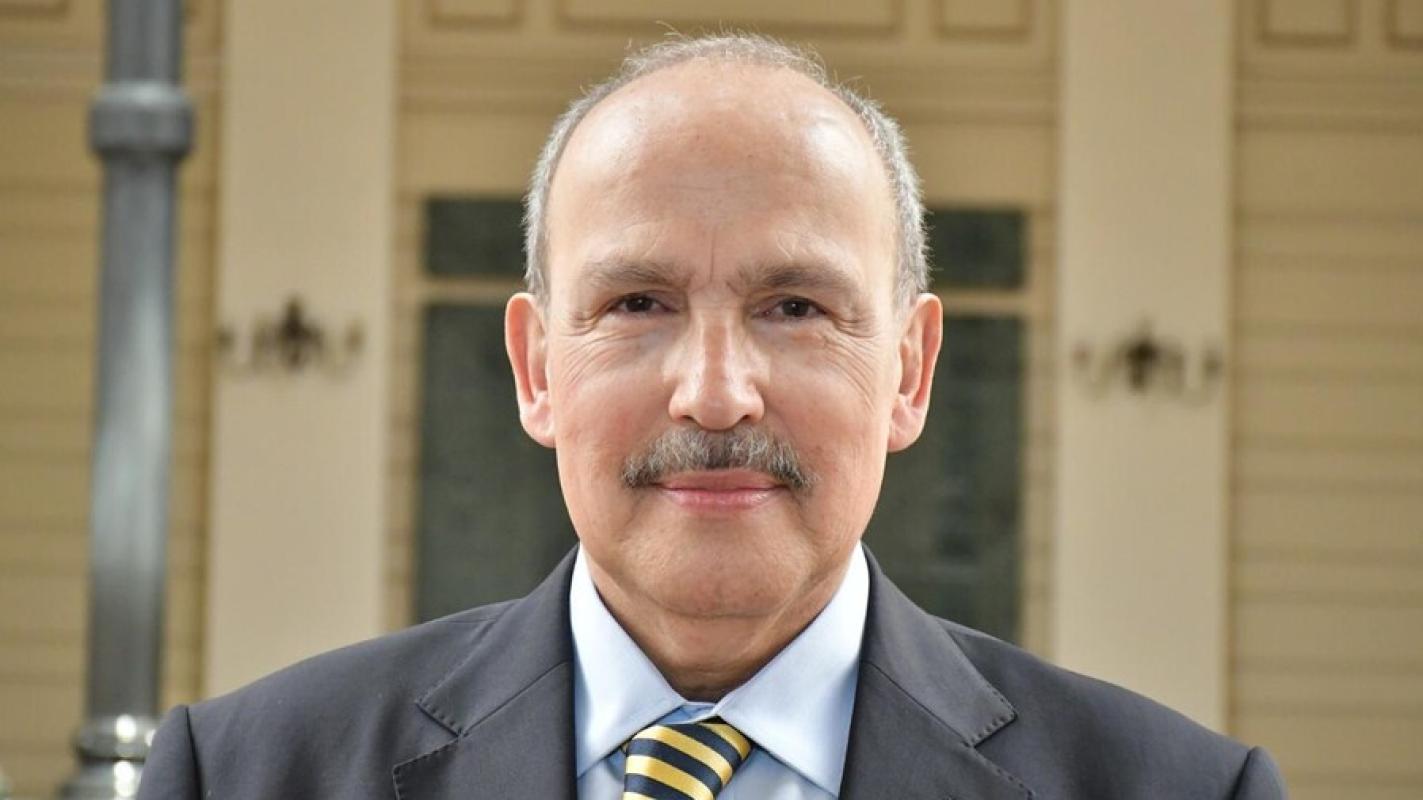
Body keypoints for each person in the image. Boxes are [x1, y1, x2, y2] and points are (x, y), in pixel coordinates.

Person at [139, 34, 1287, 799]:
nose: (716, 392)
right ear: (536, 370)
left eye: (795, 306)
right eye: (637, 303)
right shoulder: (246, 775)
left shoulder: (1180, 790)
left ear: (908, 369)